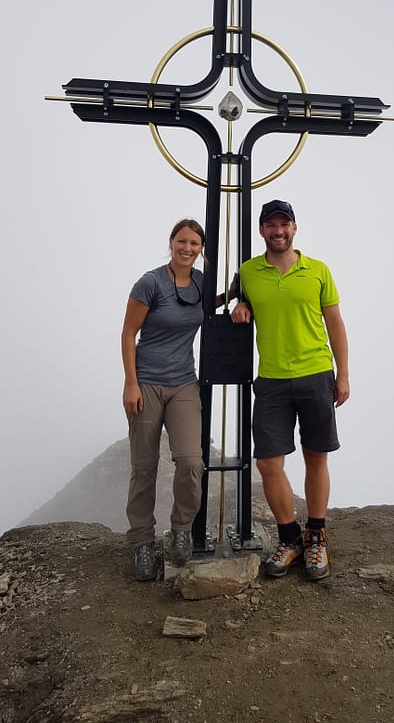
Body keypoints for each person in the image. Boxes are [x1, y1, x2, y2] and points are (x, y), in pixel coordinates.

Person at [231, 199, 349, 581]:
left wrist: (342, 374)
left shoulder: (317, 271)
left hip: (316, 373)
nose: (277, 231)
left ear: (294, 229)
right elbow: (234, 295)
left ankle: (316, 537)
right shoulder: (248, 271)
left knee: (316, 456)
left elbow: (335, 323)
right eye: (271, 225)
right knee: (268, 462)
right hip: (271, 379)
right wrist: (239, 302)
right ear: (262, 230)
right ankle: (290, 538)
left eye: (284, 224)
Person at [121, 218, 232, 581]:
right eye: (182, 242)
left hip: (185, 383)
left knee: (190, 462)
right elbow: (128, 332)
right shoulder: (150, 283)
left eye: (195, 244)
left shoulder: (201, 283)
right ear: (171, 243)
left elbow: (206, 308)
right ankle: (141, 542)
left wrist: (231, 296)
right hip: (147, 383)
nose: (187, 249)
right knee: (145, 467)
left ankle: (182, 528)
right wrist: (131, 383)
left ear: (201, 250)